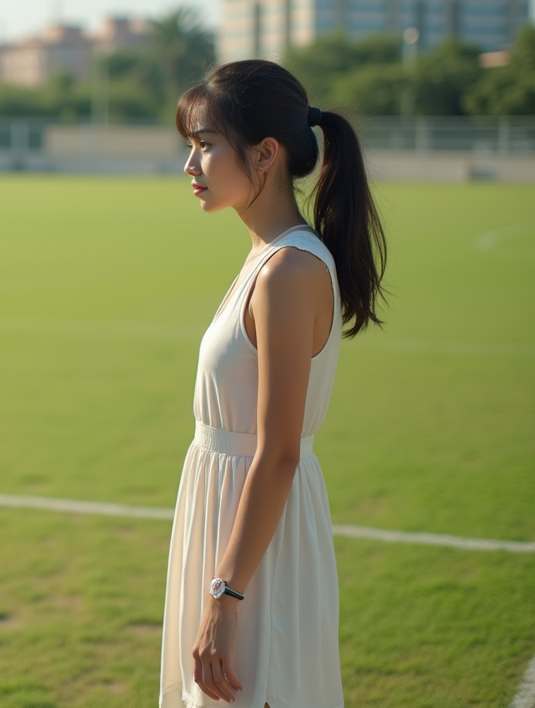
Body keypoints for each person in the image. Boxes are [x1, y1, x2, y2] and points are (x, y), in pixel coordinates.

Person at [159, 60, 386, 708]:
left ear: (264, 154)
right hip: (230, 521)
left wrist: (226, 596)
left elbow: (278, 451)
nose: (190, 164)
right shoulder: (266, 256)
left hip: (258, 545)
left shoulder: (289, 270)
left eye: (205, 144)